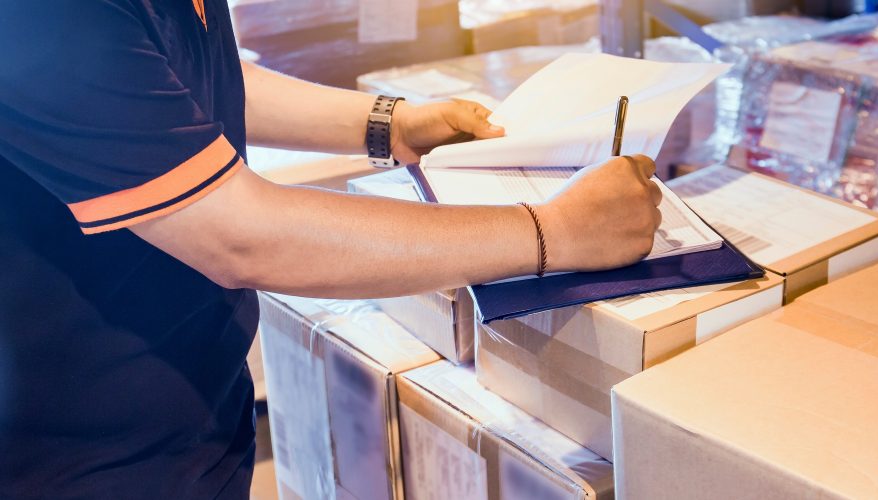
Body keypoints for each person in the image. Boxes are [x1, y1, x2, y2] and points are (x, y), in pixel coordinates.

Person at [0, 1, 662, 498]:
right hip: (77, 456)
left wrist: (387, 123)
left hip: (190, 405)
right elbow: (242, 233)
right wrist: (554, 232)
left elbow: (165, 87)